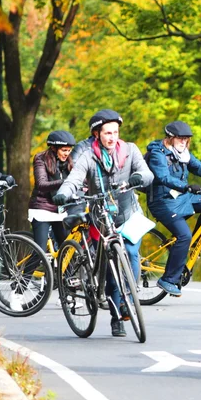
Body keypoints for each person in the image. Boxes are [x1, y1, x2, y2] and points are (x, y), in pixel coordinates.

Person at [54, 109, 154, 337]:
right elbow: (74, 178)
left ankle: (127, 300)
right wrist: (64, 193)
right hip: (102, 216)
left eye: (115, 132)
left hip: (128, 214)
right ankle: (116, 318)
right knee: (109, 269)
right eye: (107, 133)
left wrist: (139, 178)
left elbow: (147, 174)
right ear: (97, 134)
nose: (112, 137)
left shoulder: (130, 150)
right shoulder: (89, 156)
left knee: (130, 252)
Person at [145, 121, 201, 297]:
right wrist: (186, 187)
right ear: (170, 138)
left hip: (181, 197)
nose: (184, 142)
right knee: (183, 235)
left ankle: (197, 244)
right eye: (180, 139)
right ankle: (168, 279)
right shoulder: (157, 154)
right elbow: (163, 177)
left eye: (186, 139)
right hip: (163, 202)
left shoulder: (183, 154)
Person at [28, 131, 76, 254]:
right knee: (40, 253)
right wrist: (65, 182)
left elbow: (80, 178)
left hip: (60, 210)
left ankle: (66, 274)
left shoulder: (69, 161)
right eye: (64, 150)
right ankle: (24, 274)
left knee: (66, 250)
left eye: (69, 150)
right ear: (54, 148)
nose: (67, 153)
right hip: (41, 209)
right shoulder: (41, 158)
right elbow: (42, 185)